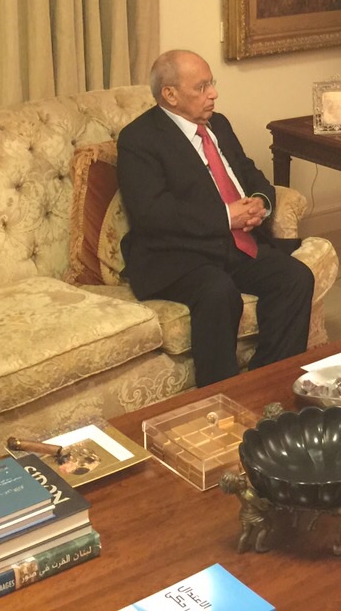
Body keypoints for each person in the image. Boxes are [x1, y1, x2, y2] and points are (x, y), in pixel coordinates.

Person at [117, 50, 314, 386]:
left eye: (212, 84)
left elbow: (249, 172)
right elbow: (153, 212)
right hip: (178, 254)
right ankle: (219, 396)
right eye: (202, 87)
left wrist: (260, 203)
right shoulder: (139, 139)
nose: (213, 94)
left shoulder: (218, 124)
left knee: (295, 278)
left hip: (235, 244)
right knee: (218, 293)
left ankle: (268, 384)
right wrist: (226, 216)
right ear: (170, 94)